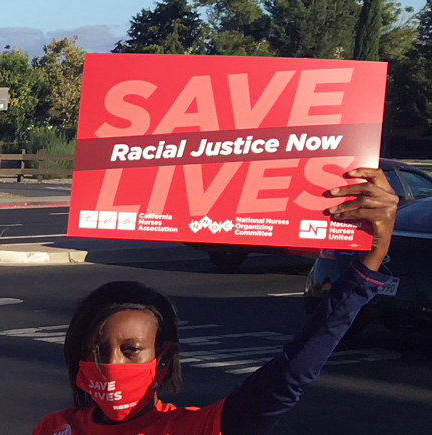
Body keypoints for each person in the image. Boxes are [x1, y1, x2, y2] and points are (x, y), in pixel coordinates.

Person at [33, 168, 399, 435]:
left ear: (163, 359)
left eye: (131, 351)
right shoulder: (55, 427)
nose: (111, 364)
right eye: (97, 350)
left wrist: (372, 259)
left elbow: (289, 376)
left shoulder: (194, 429)